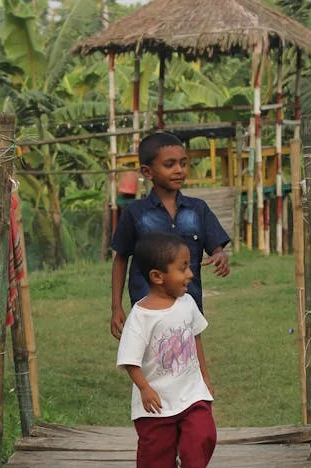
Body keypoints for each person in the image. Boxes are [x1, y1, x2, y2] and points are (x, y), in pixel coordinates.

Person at [110, 132, 230, 340]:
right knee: (154, 366)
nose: (179, 170)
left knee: (189, 359)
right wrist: (116, 307)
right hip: (148, 310)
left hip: (188, 306)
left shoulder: (198, 209)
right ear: (147, 172)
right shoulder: (135, 213)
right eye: (169, 165)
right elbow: (120, 259)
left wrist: (220, 255)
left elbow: (216, 247)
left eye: (183, 164)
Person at [117, 232, 217, 468]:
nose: (191, 274)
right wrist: (144, 387)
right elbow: (130, 359)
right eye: (183, 268)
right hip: (156, 404)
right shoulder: (141, 316)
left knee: (203, 435)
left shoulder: (188, 303)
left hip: (193, 394)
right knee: (155, 458)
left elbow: (196, 339)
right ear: (157, 276)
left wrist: (204, 377)